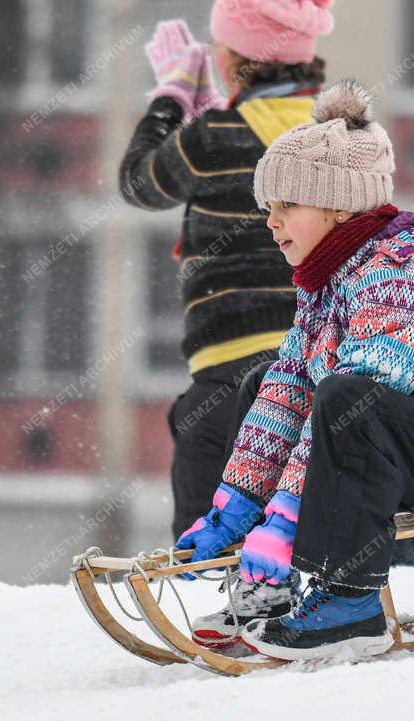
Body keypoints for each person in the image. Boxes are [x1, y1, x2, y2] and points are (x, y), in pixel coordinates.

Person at [174, 81, 414, 659]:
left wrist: (285, 519)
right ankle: (266, 590)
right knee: (267, 382)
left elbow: (363, 400)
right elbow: (287, 395)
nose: (273, 222)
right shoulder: (327, 282)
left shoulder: (401, 272)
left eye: (287, 206)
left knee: (350, 396)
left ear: (339, 206)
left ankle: (351, 600)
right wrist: (235, 508)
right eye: (269, 208)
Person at [118, 0, 334, 541]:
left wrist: (169, 98)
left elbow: (140, 182)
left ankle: (203, 594)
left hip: (230, 365)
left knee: (208, 510)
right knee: (297, 503)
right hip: (319, 362)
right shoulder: (339, 136)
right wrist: (217, 109)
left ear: (236, 58)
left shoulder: (212, 137)